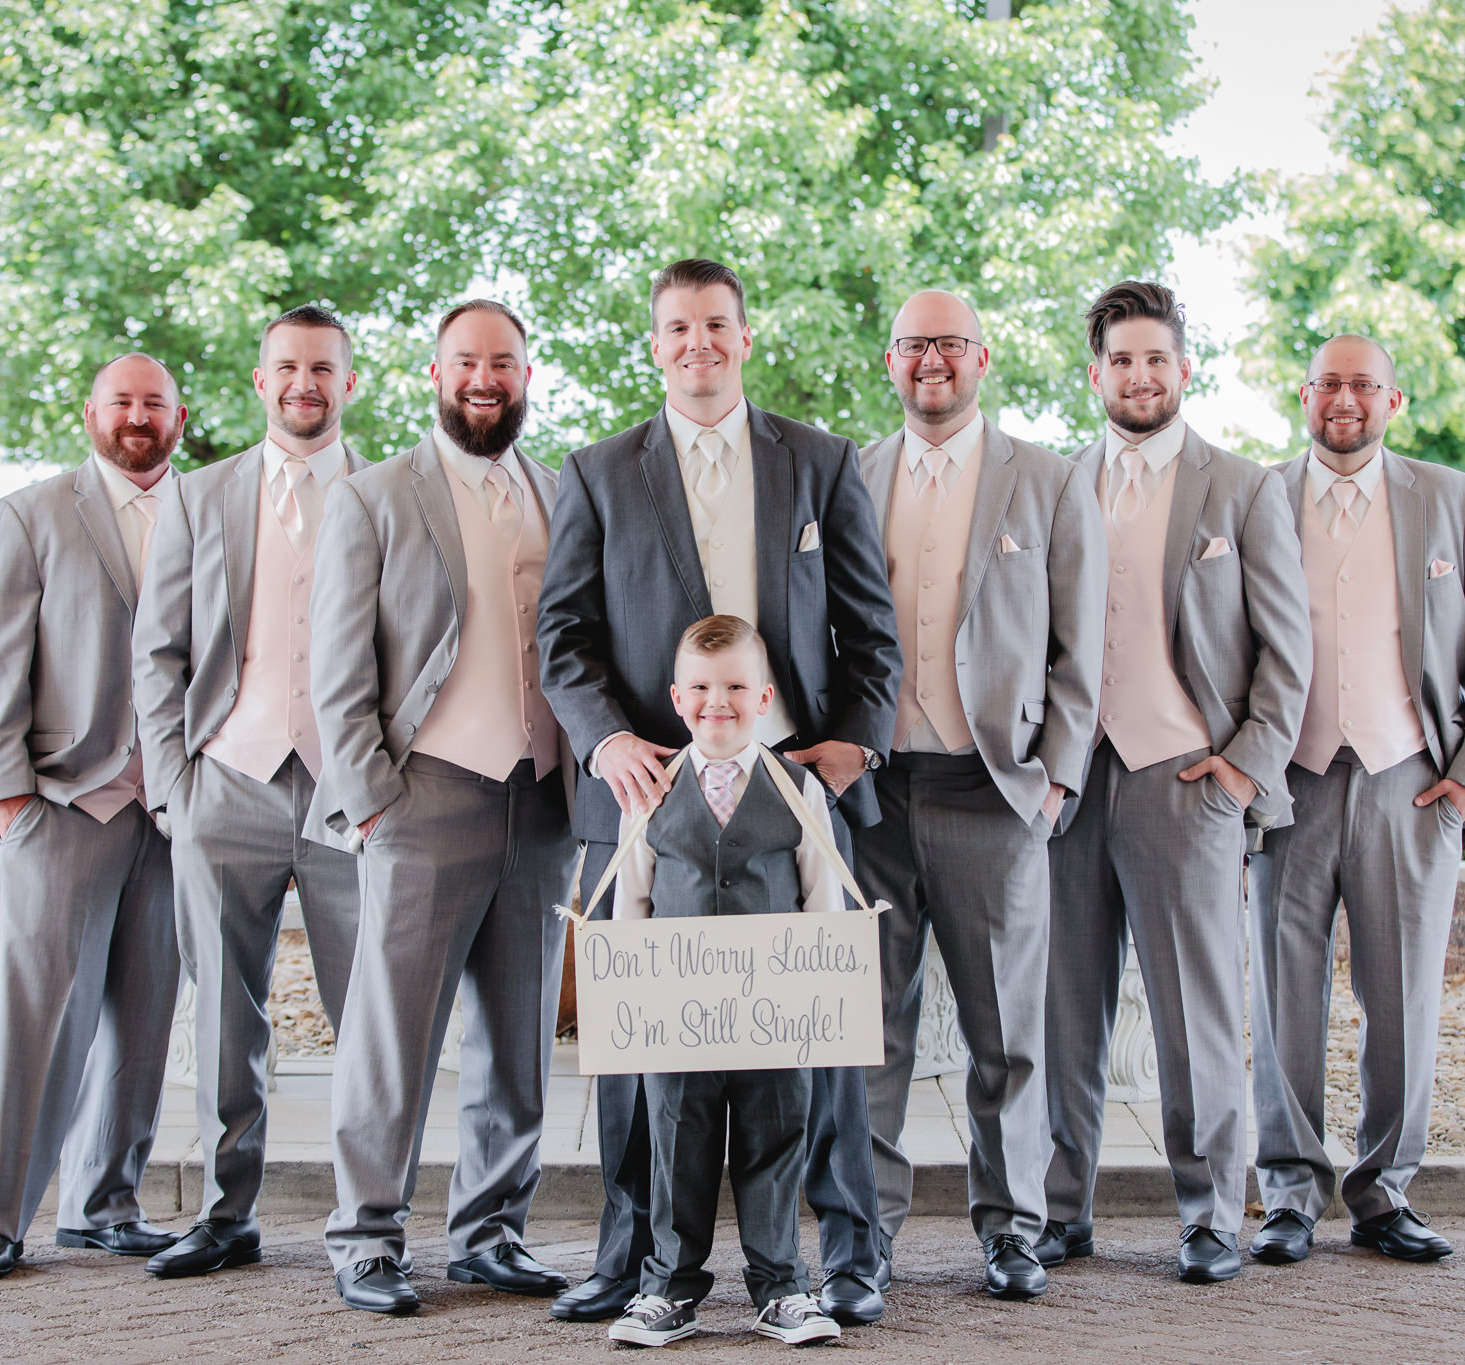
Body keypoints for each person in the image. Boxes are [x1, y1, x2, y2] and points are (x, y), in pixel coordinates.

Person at [538, 258, 901, 1326]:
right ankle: (632, 1261)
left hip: (791, 794)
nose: (696, 343)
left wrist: (849, 749)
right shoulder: (599, 472)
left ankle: (845, 1258)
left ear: (745, 337)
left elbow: (868, 628)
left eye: (715, 326)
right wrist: (604, 741)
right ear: (653, 344)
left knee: (814, 1047)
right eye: (676, 328)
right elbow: (562, 639)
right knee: (640, 1058)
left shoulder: (820, 462)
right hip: (652, 792)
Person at [306, 300, 574, 1313]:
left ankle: (490, 1231)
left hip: (539, 803)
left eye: (502, 362)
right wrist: (374, 800)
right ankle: (367, 1236)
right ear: (433, 372)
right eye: (466, 361)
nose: (484, 379)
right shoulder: (374, 496)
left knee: (517, 1039)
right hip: (423, 798)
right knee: (393, 1033)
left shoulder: (558, 493)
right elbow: (335, 668)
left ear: (524, 376)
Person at [1042, 281, 1310, 1283]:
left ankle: (1206, 1214)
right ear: (1093, 373)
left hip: (1183, 777)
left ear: (1183, 369)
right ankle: (1060, 1210)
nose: (1138, 376)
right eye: (1119, 360)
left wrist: (1243, 765)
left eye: (1155, 359)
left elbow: (1287, 650)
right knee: (1060, 1008)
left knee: (1195, 1011)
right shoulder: (1054, 480)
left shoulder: (1239, 489)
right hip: (1070, 783)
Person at [854, 290, 1106, 1299]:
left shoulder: (1044, 482)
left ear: (981, 358)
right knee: (866, 1033)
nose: (930, 361)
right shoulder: (853, 475)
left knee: (1005, 1034)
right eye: (914, 345)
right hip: (870, 797)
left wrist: (1052, 782)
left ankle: (1011, 1228)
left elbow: (1079, 649)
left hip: (993, 791)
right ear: (890, 359)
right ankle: (862, 1232)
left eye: (948, 345)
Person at [1248, 335, 1465, 1266]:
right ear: (1304, 394)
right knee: (1284, 995)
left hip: (1412, 780)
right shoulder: (1260, 497)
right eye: (1329, 384)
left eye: (1364, 384)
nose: (1345, 400)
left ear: (1393, 400)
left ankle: (1384, 1191)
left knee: (1402, 998)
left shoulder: (1452, 499)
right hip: (1292, 780)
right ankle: (1287, 1191)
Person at [130, 305, 366, 1277]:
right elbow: (158, 651)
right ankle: (226, 1215)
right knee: (226, 1013)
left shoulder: (386, 491)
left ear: (349, 384)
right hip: (225, 783)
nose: (303, 382)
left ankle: (368, 1224)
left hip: (349, 794)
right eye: (286, 366)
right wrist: (170, 788)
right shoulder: (198, 498)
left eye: (322, 367)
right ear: (260, 380)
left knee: (370, 1015)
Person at [0, 353, 185, 1277]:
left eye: (154, 402)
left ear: (179, 415)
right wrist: (8, 797)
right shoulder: (31, 514)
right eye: (122, 400)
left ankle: (105, 1204)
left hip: (170, 811)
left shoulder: (207, 510)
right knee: (40, 1016)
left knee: (144, 1016)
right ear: (92, 412)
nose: (138, 414)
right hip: (58, 800)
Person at [602, 615, 847, 1348]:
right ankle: (668, 1288)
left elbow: (823, 898)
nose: (719, 702)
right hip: (676, 1016)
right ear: (677, 698)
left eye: (736, 686)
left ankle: (782, 1287)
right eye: (703, 688)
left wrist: (818, 996)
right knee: (678, 1141)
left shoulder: (799, 789)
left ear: (764, 696)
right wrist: (634, 999)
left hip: (774, 1012)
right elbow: (631, 901)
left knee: (775, 1138)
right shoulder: (651, 791)